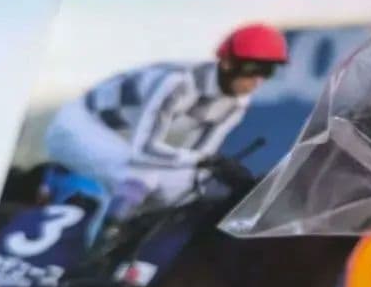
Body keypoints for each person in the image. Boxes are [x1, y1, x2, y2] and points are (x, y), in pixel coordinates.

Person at [44, 23, 287, 239]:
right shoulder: (177, 82)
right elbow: (144, 151)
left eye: (268, 71)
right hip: (77, 126)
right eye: (253, 69)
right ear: (228, 63)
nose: (257, 80)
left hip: (119, 140)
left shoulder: (237, 103)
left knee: (185, 190)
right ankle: (93, 260)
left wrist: (222, 174)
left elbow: (198, 164)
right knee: (141, 175)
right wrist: (209, 162)